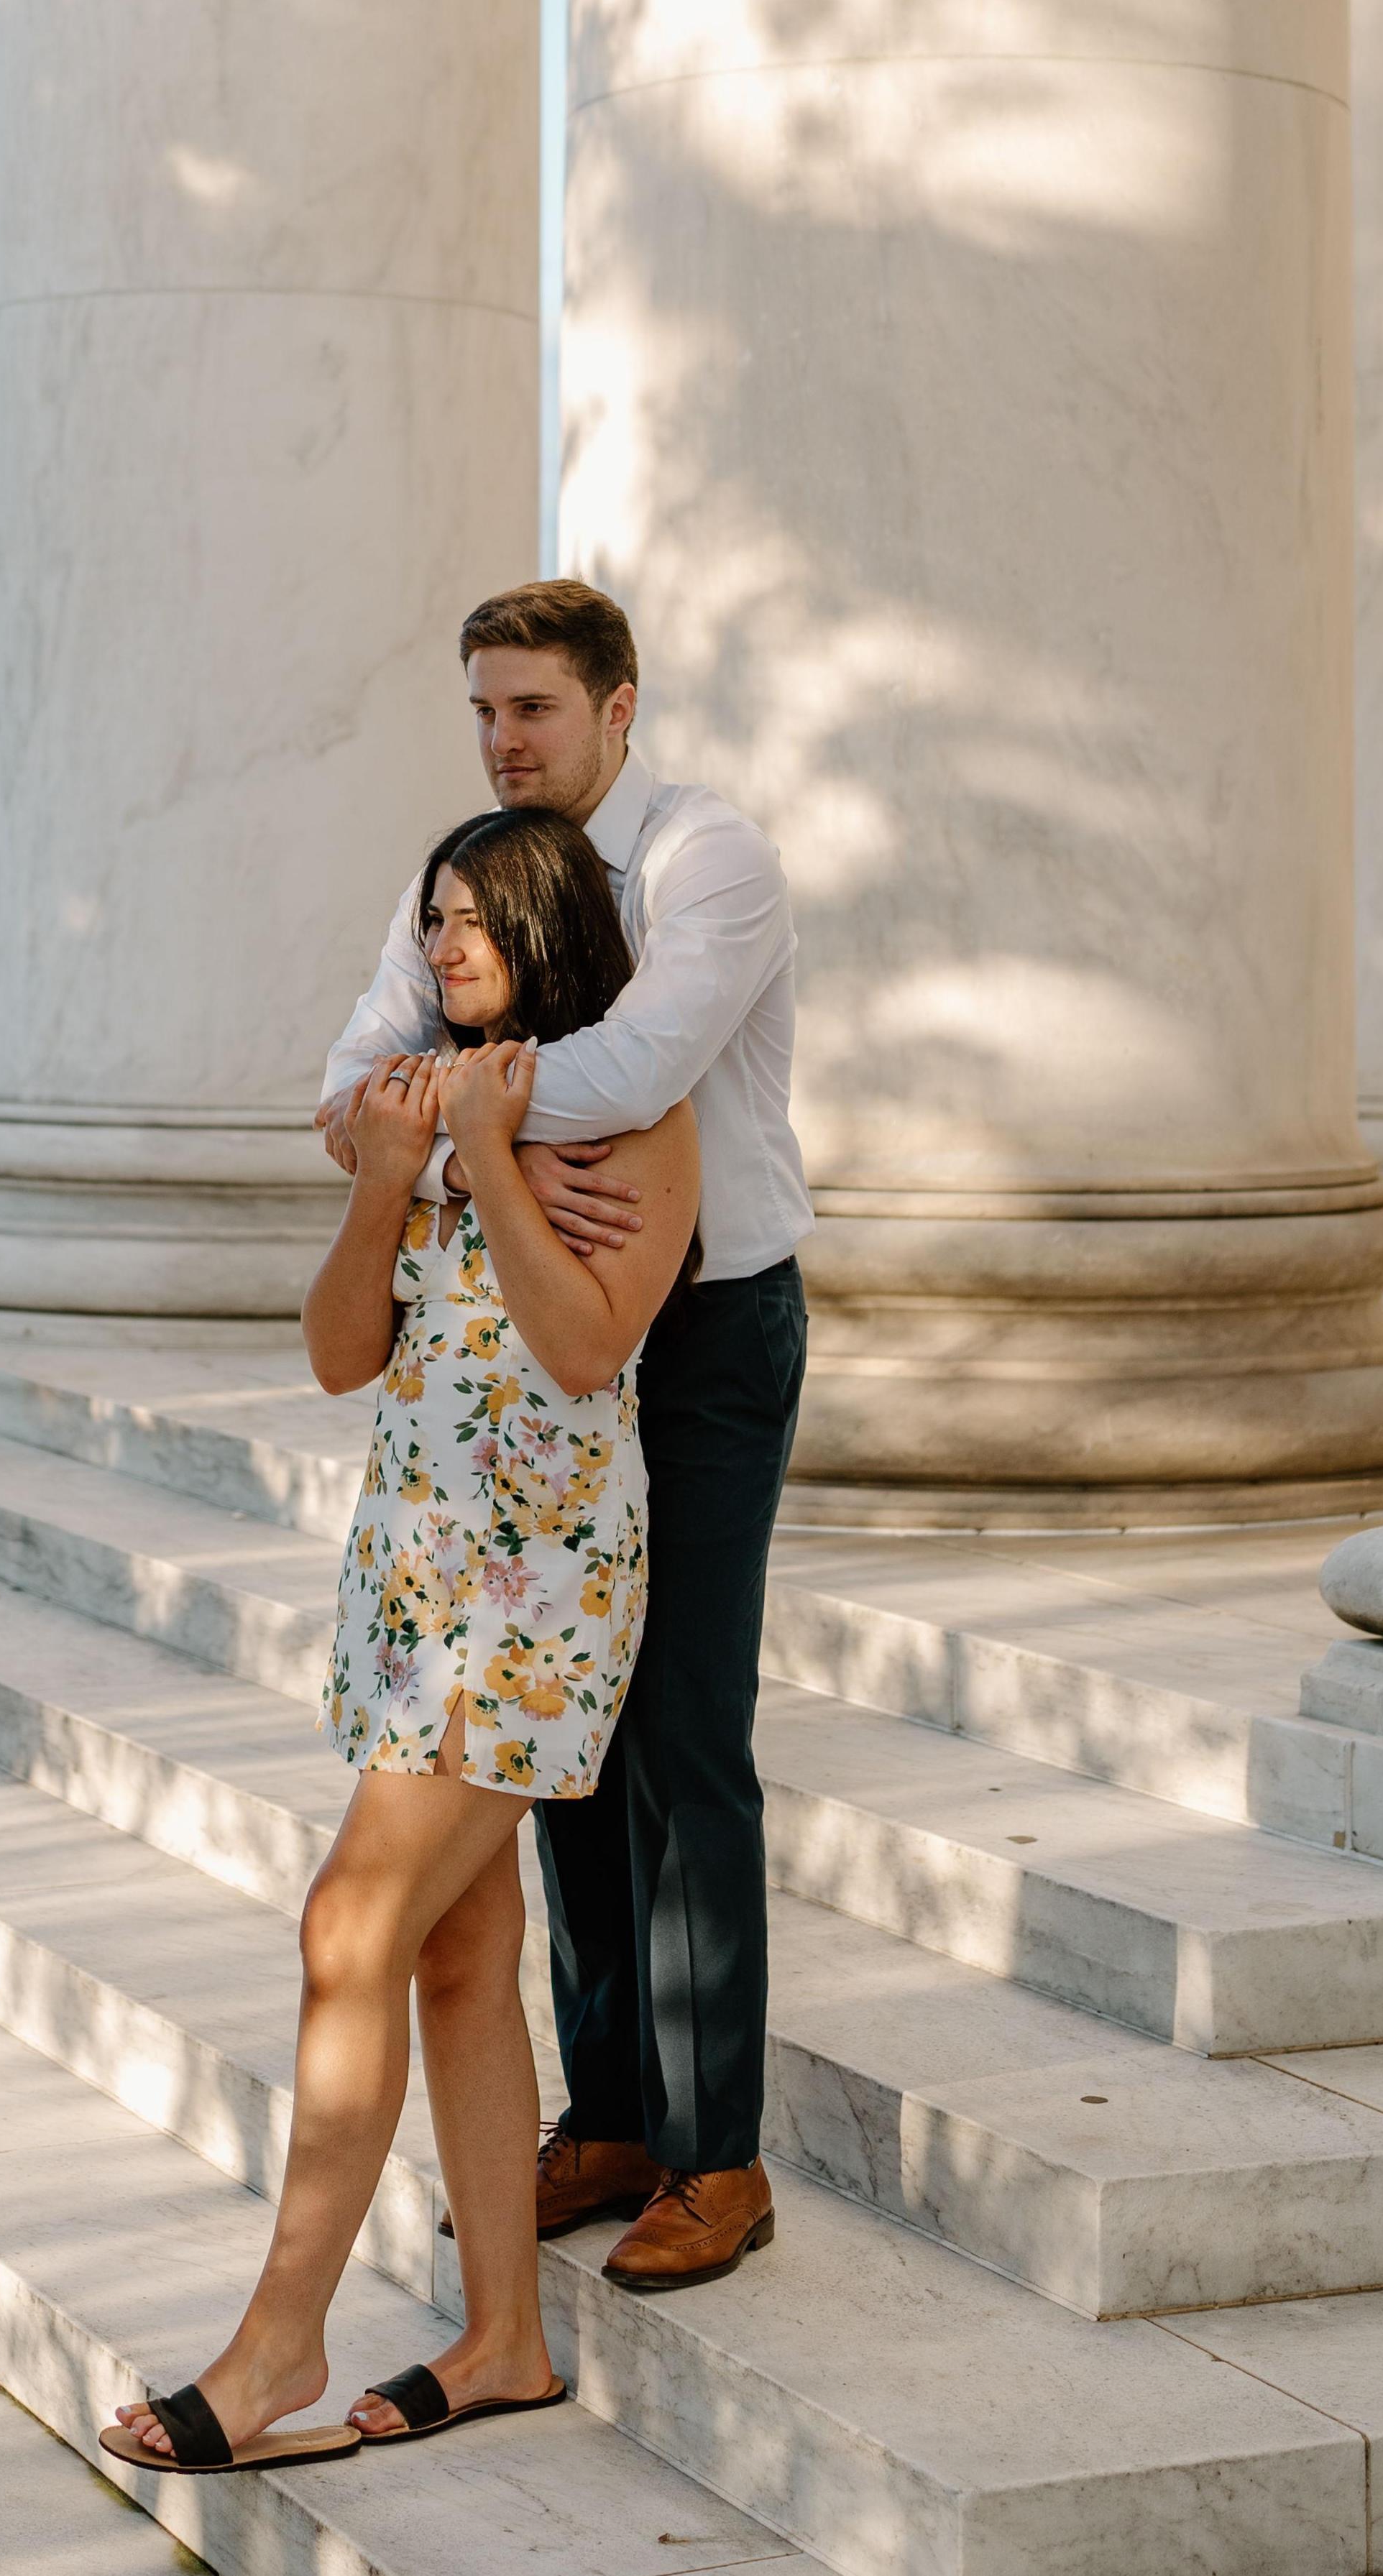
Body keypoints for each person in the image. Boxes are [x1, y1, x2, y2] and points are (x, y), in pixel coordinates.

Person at [105, 806, 701, 2475]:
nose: (437, 941)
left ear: (547, 922)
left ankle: (274, 2336)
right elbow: (335, 1349)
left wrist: (489, 1158)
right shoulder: (413, 1110)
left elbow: (584, 1348)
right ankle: (504, 2332)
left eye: (471, 916)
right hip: (414, 1575)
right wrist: (394, 1174)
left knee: (344, 1922)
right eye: (428, 915)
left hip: (541, 1587)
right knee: (447, 1946)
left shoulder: (635, 1123)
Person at [318, 578, 811, 2296]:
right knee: (558, 1738)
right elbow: (339, 1092)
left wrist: (440, 1134)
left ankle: (716, 2150)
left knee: (681, 1727)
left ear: (616, 707)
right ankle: (604, 2105)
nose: (503, 739)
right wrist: (468, 1144)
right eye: (481, 710)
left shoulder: (707, 859)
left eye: (530, 708)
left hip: (700, 1332)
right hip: (521, 1363)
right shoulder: (460, 874)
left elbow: (634, 1071)